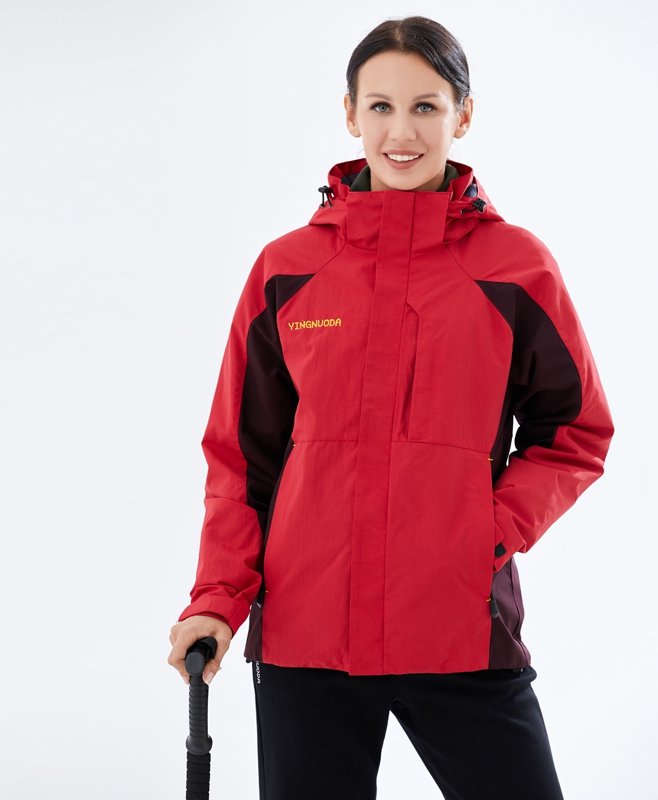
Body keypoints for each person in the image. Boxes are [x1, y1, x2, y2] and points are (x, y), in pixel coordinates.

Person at [168, 15, 614, 800]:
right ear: (350, 114)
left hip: (458, 627)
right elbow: (241, 460)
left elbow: (573, 431)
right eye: (379, 106)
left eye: (425, 107)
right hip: (307, 633)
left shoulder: (516, 268)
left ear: (462, 116)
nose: (400, 132)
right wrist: (216, 600)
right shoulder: (287, 270)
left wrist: (484, 530)